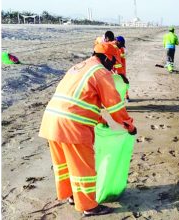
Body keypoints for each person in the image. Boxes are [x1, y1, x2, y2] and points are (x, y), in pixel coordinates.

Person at [38, 43, 137, 217]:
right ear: (107, 58)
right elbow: (113, 104)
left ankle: (70, 195)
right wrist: (128, 125)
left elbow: (79, 98)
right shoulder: (101, 72)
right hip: (72, 126)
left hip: (51, 121)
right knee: (83, 169)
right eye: (113, 61)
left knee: (64, 164)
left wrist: (99, 119)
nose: (113, 66)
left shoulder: (78, 67)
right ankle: (89, 206)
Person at [114, 35, 130, 102]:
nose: (121, 47)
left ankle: (126, 96)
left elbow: (121, 60)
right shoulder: (114, 48)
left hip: (120, 68)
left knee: (122, 83)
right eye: (121, 45)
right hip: (116, 68)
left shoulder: (121, 49)